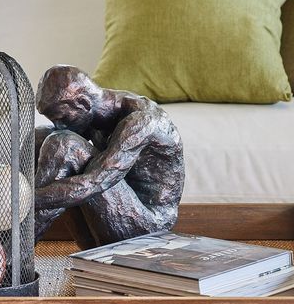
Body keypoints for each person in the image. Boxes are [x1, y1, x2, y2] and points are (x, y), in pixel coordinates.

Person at [34, 65, 184, 247]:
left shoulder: (141, 122)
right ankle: (15, 244)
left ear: (83, 103)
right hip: (110, 211)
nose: (59, 125)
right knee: (41, 137)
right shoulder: (94, 111)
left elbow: (93, 183)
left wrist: (23, 200)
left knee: (63, 144)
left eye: (62, 118)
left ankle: (16, 249)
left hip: (148, 226)